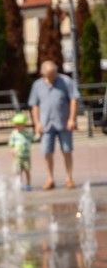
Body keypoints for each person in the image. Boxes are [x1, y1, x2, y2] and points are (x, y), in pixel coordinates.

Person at [28, 61, 80, 190]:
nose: (52, 76)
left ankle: (69, 178)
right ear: (42, 73)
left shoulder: (66, 81)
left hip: (64, 122)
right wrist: (37, 123)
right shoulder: (37, 85)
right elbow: (35, 105)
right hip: (46, 124)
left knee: (67, 150)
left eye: (54, 73)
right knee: (47, 152)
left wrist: (72, 119)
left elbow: (74, 100)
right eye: (49, 74)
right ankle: (50, 178)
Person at [8, 112, 34, 191]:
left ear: (24, 125)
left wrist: (38, 135)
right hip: (18, 157)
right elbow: (11, 144)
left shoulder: (27, 133)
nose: (18, 126)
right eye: (17, 125)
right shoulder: (14, 134)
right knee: (18, 171)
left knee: (27, 170)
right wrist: (12, 152)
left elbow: (33, 139)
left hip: (26, 156)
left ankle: (28, 184)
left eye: (20, 125)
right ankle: (19, 184)